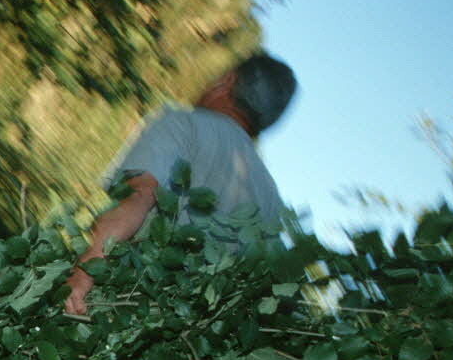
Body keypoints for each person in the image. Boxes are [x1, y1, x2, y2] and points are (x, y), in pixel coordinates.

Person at [63, 53, 298, 315]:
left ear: (227, 80)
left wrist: (83, 276)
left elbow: (140, 196)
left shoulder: (184, 124)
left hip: (121, 308)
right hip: (190, 329)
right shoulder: (270, 196)